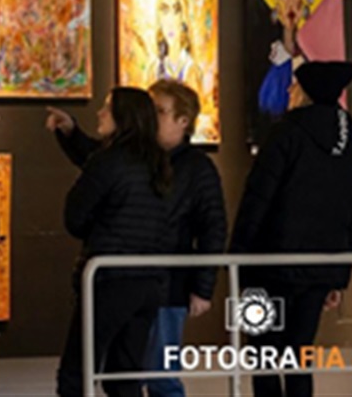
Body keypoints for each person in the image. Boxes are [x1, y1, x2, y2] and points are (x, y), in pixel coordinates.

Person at [48, 79, 227, 397]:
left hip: (161, 284)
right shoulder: (147, 161)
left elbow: (213, 227)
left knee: (156, 375)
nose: (151, 116)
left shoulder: (195, 168)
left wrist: (203, 286)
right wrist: (72, 133)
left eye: (159, 110)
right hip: (149, 281)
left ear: (183, 121)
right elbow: (98, 162)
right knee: (126, 374)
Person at [230, 61, 352, 397]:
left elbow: (257, 199)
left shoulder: (285, 134)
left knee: (262, 355)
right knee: (300, 356)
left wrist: (236, 260)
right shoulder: (348, 145)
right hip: (319, 271)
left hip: (267, 266)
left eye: (295, 85)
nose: (290, 90)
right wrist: (339, 276)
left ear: (305, 93)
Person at [50, 87, 171, 397]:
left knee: (76, 374)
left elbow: (74, 216)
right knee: (125, 378)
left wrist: (98, 228)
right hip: (149, 283)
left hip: (110, 280)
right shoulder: (158, 164)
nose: (100, 113)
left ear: (123, 117)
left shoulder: (109, 161)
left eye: (107, 108)